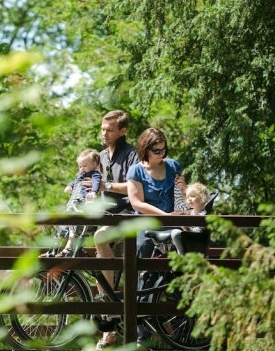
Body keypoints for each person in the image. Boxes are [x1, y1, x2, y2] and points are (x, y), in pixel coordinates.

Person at [126, 127, 185, 347]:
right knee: (143, 274)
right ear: (145, 149)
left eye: (164, 150)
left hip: (173, 225)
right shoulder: (135, 171)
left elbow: (181, 193)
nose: (162, 154)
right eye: (157, 151)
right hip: (147, 224)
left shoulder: (173, 166)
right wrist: (164, 215)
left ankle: (181, 331)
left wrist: (187, 208)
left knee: (178, 275)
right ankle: (142, 334)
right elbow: (136, 203)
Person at [91, 110, 138, 350]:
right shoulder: (99, 156)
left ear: (123, 131)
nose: (104, 133)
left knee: (100, 237)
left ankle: (107, 301)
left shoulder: (132, 155)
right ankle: (108, 328)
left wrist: (105, 185)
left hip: (127, 216)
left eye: (109, 129)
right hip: (106, 215)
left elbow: (132, 188)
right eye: (102, 128)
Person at [46, 149, 101, 257]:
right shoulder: (80, 176)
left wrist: (94, 191)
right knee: (61, 226)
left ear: (95, 164)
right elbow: (75, 182)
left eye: (85, 166)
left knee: (74, 225)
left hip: (81, 204)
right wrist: (69, 186)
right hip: (72, 203)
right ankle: (53, 250)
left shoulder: (94, 174)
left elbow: (96, 183)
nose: (82, 168)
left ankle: (69, 248)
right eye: (80, 166)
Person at [170, 182, 209, 254]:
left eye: (193, 196)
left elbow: (199, 231)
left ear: (203, 197)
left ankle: (181, 255)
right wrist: (185, 227)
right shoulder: (191, 212)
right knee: (174, 232)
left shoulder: (204, 214)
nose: (189, 199)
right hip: (189, 241)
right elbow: (189, 230)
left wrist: (188, 229)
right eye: (188, 197)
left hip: (197, 243)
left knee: (176, 233)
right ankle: (180, 254)